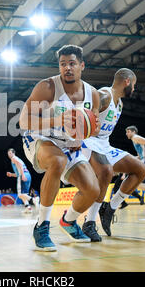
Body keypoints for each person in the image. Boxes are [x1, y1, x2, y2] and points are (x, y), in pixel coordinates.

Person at [19, 44, 101, 251]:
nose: (67, 68)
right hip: (39, 136)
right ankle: (41, 226)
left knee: (92, 190)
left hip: (68, 144)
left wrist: (83, 136)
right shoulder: (47, 87)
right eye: (63, 64)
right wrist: (57, 121)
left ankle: (69, 221)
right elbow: (24, 121)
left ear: (82, 65)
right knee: (57, 160)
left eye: (72, 63)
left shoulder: (93, 95)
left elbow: (92, 127)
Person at [81, 68, 145, 240]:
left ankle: (109, 208)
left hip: (104, 144)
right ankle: (89, 222)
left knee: (141, 169)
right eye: (133, 85)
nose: (133, 89)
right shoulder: (105, 95)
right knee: (106, 171)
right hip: (87, 141)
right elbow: (83, 112)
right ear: (127, 82)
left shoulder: (120, 103)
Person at [6, 148, 39, 213]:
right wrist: (11, 175)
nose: (9, 155)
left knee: (20, 194)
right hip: (28, 175)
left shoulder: (13, 158)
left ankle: (33, 199)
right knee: (24, 194)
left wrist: (23, 175)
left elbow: (20, 166)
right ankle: (28, 208)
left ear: (13, 153)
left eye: (10, 153)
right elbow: (18, 172)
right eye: (8, 154)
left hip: (22, 175)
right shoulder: (18, 158)